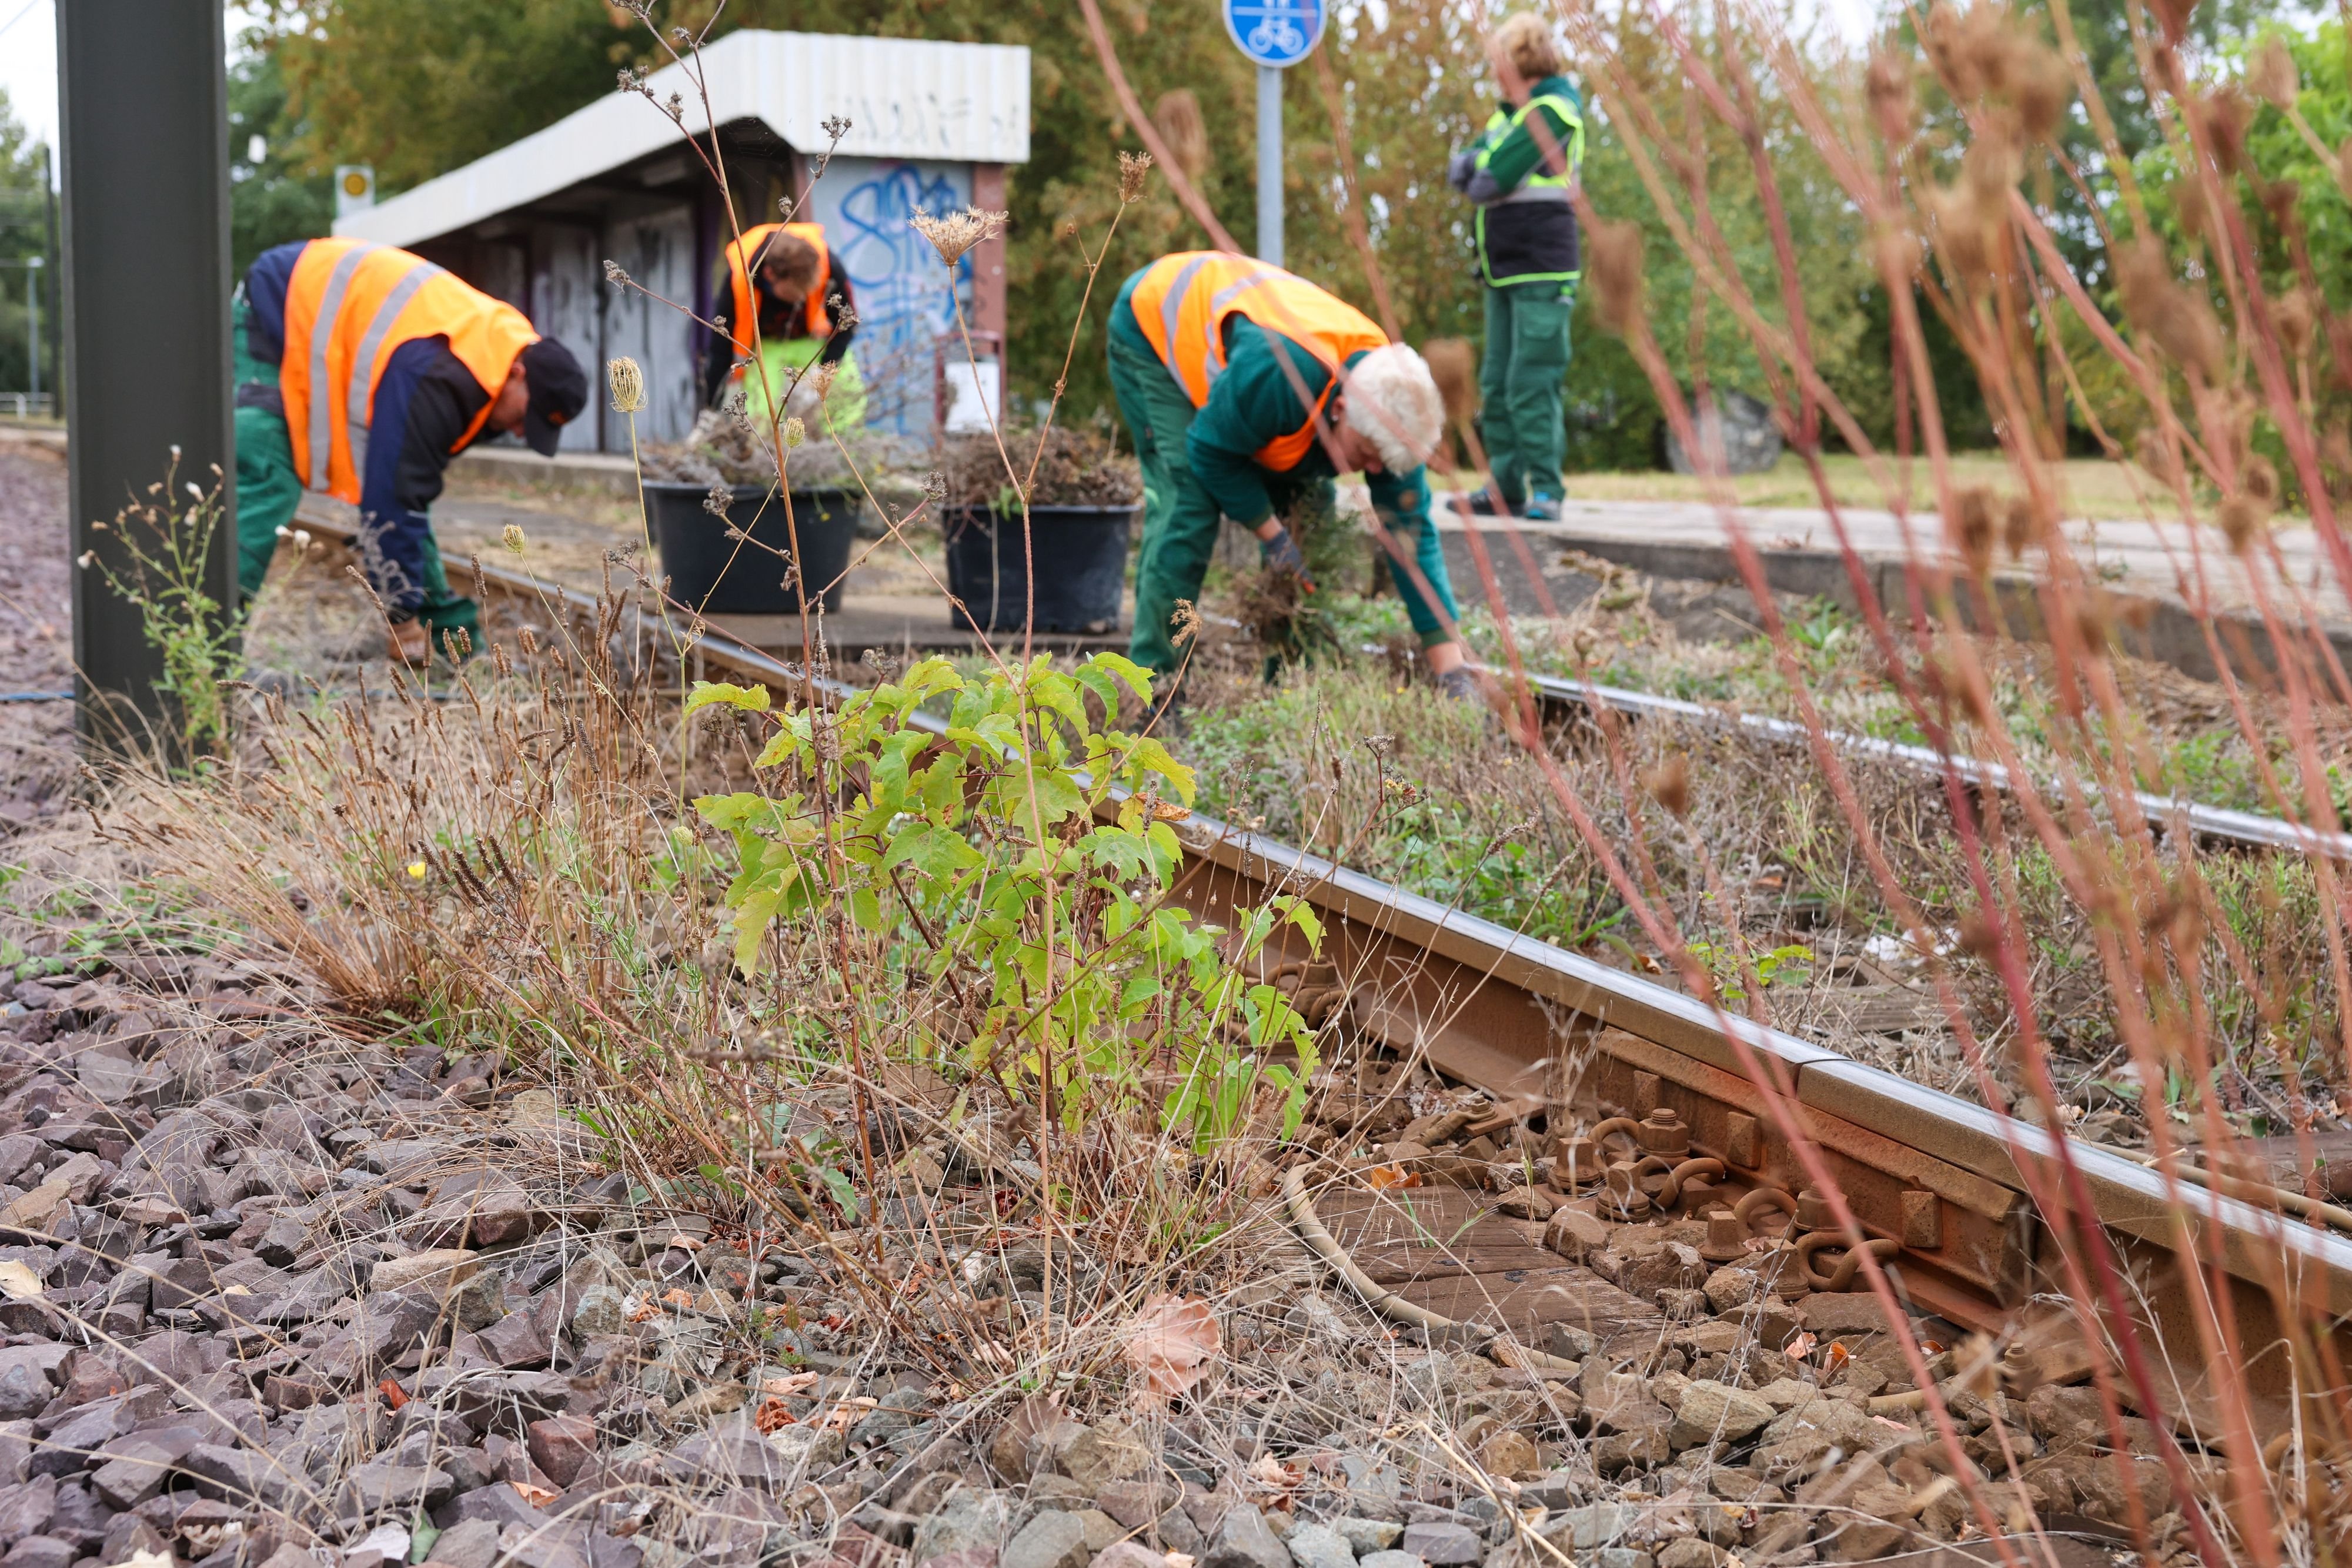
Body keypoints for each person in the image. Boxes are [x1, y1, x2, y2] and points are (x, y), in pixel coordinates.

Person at [1107, 250, 1476, 706]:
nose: (1372, 471)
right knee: (1191, 504)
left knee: (1308, 513)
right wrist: (1273, 536)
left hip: (1255, 380)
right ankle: (1154, 690)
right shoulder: (1282, 374)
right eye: (1366, 455)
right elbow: (1210, 451)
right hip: (1153, 325)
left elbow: (1411, 538)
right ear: (1341, 410)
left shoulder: (1394, 409)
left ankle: (1288, 684)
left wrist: (1453, 672)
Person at [233, 238, 588, 664]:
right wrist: (400, 619)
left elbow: (408, 497)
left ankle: (453, 646)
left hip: (318, 326)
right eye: (523, 417)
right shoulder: (441, 373)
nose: (517, 432)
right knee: (268, 472)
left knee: (405, 504)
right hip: (277, 308)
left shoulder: (491, 363)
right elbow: (389, 502)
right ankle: (196, 650)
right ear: (517, 374)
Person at [1448, 12, 1586, 522]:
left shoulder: (1554, 111)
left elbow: (1489, 179)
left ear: (1517, 61)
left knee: (1533, 379)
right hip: (1503, 268)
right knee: (1497, 383)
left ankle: (1547, 490)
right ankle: (1505, 488)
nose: (1492, 72)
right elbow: (1462, 167)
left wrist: (1480, 168)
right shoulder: (1509, 116)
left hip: (1542, 267)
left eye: (1497, 62)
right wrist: (1477, 166)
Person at [706, 222, 866, 431]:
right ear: (770, 275)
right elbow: (720, 347)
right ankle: (765, 456)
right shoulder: (738, 279)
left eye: (807, 292)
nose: (801, 299)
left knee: (848, 394)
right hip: (766, 348)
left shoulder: (829, 265)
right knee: (760, 411)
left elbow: (848, 324)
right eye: (794, 294)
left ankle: (846, 449)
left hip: (815, 342)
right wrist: (710, 409)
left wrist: (824, 371)